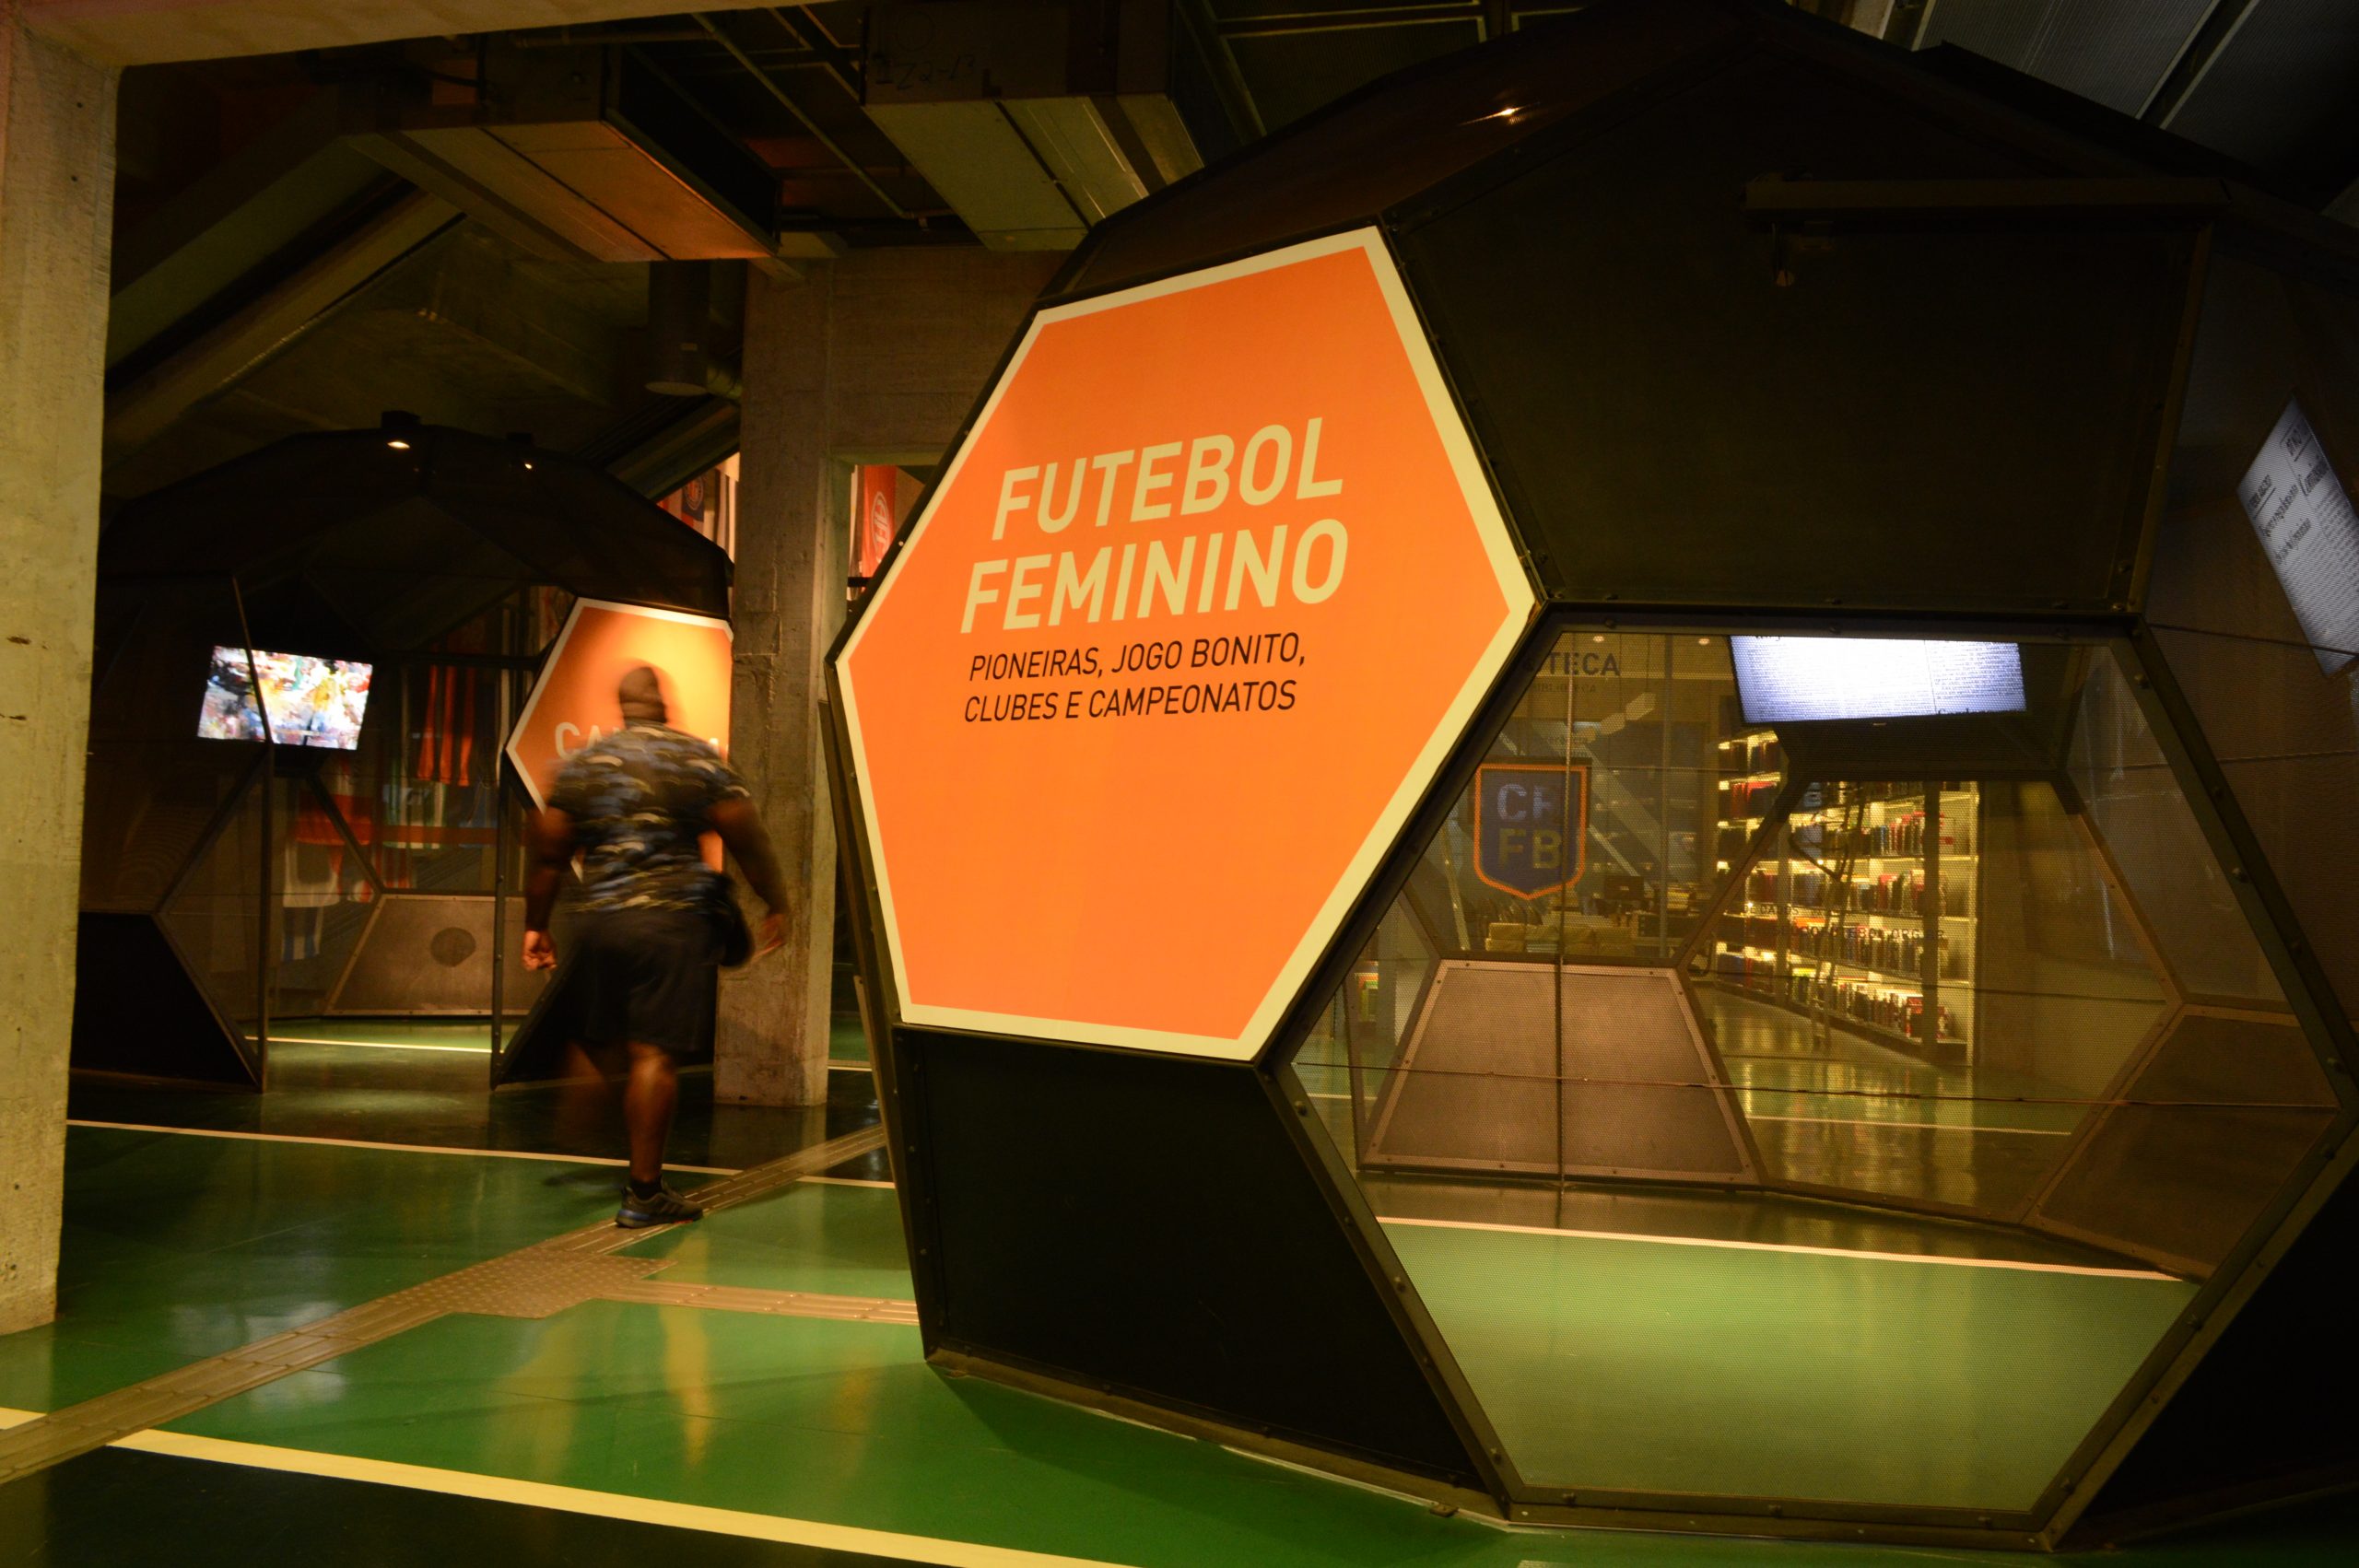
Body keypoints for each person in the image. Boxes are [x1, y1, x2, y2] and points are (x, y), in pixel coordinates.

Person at [522, 664, 788, 1227]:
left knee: (604, 1037)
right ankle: (644, 1194)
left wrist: (536, 926)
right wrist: (777, 901)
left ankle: (586, 1120)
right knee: (654, 1054)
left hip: (600, 921)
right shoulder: (695, 759)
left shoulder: (584, 765)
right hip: (671, 922)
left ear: (622, 708)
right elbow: (747, 835)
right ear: (662, 704)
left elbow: (548, 856)